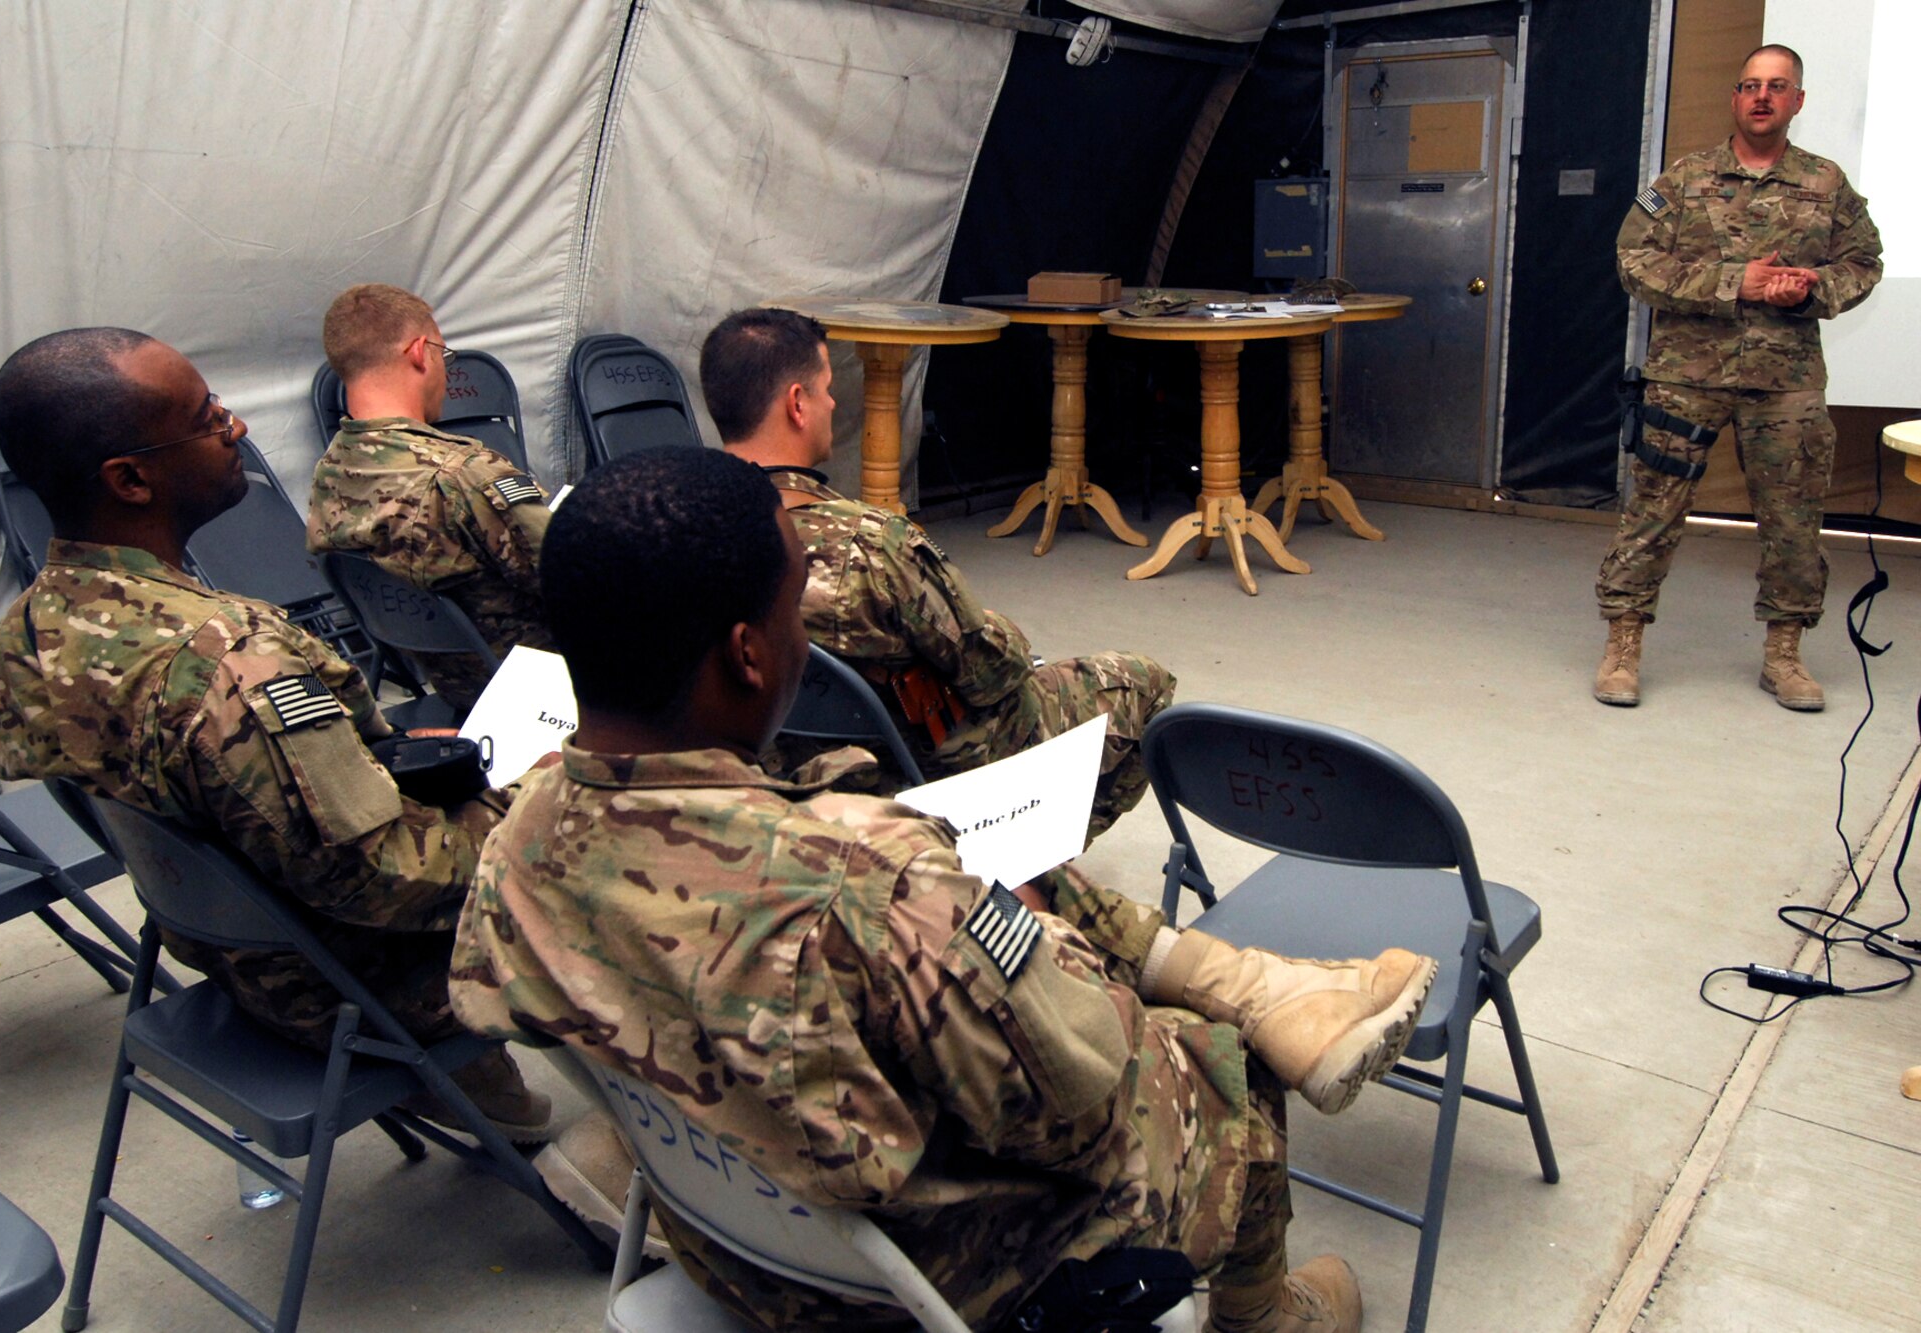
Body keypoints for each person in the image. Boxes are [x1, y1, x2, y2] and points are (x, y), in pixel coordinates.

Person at [452, 447, 1441, 1332]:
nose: (804, 634)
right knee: (1227, 1066)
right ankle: (1267, 1314)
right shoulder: (871, 891)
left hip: (729, 1244)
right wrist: (1045, 947)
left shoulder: (517, 834)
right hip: (917, 1283)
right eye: (794, 607)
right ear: (748, 653)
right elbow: (1083, 1106)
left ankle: (1251, 982)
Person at [0, 328, 548, 1140]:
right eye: (206, 418)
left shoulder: (22, 641)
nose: (234, 428)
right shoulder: (229, 663)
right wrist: (535, 796)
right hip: (357, 984)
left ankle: (492, 1099)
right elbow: (380, 879)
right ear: (130, 478)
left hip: (235, 955)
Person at [700, 307, 1171, 841]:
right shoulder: (873, 543)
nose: (834, 402)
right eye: (827, 388)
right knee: (1143, 682)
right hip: (909, 774)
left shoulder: (679, 527)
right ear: (798, 404)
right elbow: (994, 670)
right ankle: (1028, 868)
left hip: (766, 774)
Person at [1595, 43, 1882, 711]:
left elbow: (1863, 262)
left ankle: (1784, 654)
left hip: (1786, 381)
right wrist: (1736, 281)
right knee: (1653, 511)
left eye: (1777, 86)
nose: (1762, 96)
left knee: (1793, 519)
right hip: (1684, 376)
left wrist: (1809, 290)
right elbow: (1632, 262)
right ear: (1734, 97)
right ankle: (1623, 644)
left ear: (1797, 102)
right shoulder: (1685, 179)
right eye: (1751, 84)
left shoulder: (1826, 184)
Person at [305, 283, 552, 712]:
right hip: (547, 690)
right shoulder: (465, 475)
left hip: (456, 694)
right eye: (445, 355)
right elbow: (582, 581)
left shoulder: (330, 475)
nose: (445, 368)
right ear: (421, 352)